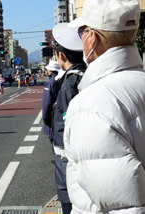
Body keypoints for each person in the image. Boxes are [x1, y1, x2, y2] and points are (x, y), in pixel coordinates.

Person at [64, 0, 145, 213]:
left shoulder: (92, 106)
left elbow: (125, 207)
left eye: (82, 30)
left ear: (92, 38)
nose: (80, 38)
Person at [51, 23, 87, 214]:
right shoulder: (85, 76)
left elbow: (70, 127)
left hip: (68, 159)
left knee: (69, 203)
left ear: (61, 56)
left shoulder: (69, 85)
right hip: (77, 159)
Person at [41, 60, 61, 143]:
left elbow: (47, 103)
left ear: (50, 70)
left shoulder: (50, 83)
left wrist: (46, 119)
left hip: (53, 119)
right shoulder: (63, 79)